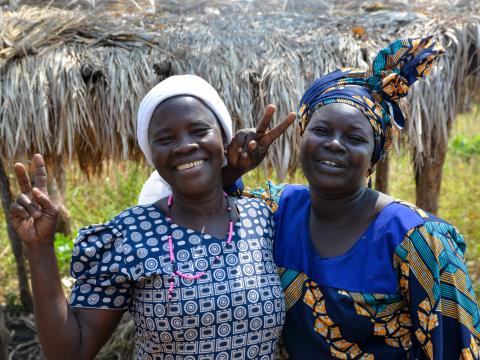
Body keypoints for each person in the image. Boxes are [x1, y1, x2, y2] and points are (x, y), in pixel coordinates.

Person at [223, 36, 480, 358]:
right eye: (321, 131)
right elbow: (213, 211)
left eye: (355, 137)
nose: (334, 143)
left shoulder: (419, 241)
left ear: (374, 159)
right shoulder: (277, 210)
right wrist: (231, 171)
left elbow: (457, 349)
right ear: (303, 138)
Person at [9, 74, 295, 359]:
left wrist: (235, 170)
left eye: (198, 130)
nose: (184, 145)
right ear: (152, 155)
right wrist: (40, 249)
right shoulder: (130, 235)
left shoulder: (261, 219)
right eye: (165, 138)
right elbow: (70, 353)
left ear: (224, 140)